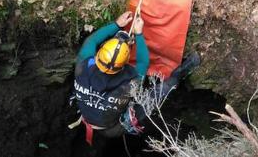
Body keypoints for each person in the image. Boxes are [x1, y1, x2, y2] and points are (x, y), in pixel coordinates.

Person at [71, 11, 200, 144]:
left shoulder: (82, 67)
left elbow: (91, 40)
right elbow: (143, 62)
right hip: (113, 128)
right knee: (158, 93)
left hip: (91, 116)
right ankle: (180, 74)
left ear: (99, 53)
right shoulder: (129, 84)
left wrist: (116, 25)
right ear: (124, 64)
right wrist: (138, 34)